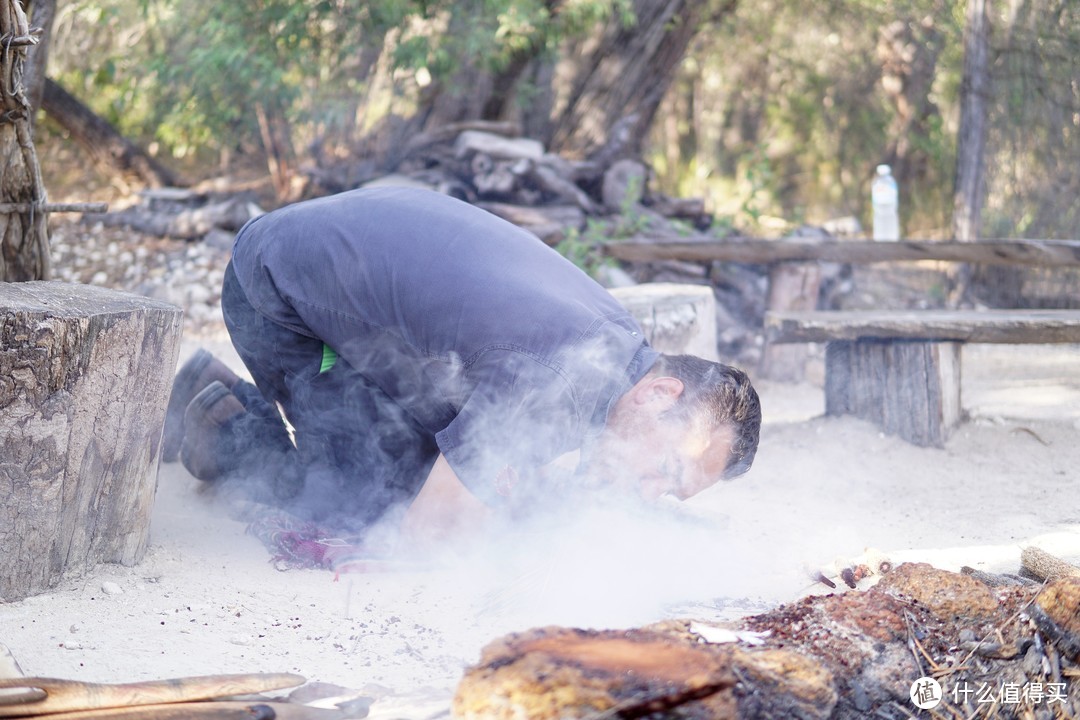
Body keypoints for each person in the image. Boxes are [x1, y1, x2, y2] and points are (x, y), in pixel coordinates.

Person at [161, 186, 761, 552]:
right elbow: (432, 531)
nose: (649, 489)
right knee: (365, 505)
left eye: (667, 493)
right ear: (659, 393)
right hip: (277, 293)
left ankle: (222, 398)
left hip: (333, 260)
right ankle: (227, 422)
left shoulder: (615, 349)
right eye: (663, 469)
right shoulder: (559, 382)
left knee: (444, 469)